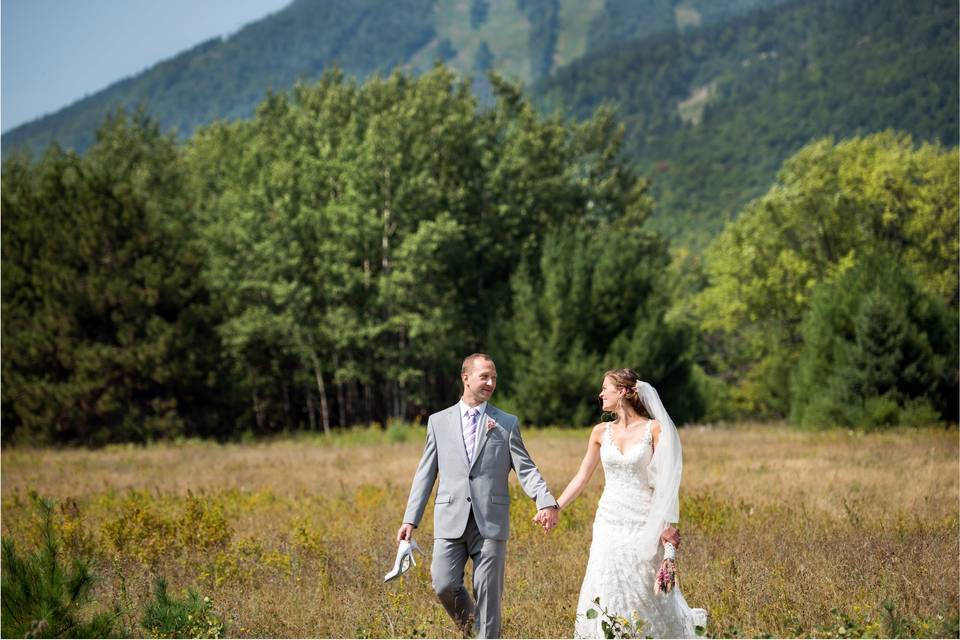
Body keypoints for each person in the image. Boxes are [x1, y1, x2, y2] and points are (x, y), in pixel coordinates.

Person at [396, 353, 559, 639]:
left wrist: (544, 500)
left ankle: (488, 634)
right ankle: (475, 629)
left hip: (490, 521)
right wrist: (411, 519)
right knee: (443, 583)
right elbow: (425, 473)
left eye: (494, 377)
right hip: (450, 518)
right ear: (466, 377)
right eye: (484, 376)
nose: (491, 382)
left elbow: (526, 468)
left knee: (488, 595)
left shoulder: (506, 423)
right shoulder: (438, 421)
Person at [545, 368, 707, 638]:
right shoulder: (599, 432)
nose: (600, 394)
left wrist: (667, 528)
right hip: (609, 520)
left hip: (644, 520)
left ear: (621, 392)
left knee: (643, 586)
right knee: (605, 580)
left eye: (605, 388)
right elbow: (582, 476)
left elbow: (665, 483)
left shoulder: (654, 429)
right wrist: (556, 506)